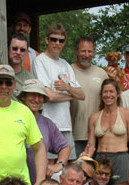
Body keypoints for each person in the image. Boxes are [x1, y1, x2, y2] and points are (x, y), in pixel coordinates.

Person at [32, 23, 84, 159]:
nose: (57, 43)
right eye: (53, 39)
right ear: (46, 40)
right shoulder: (40, 61)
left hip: (66, 125)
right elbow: (49, 96)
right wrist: (71, 95)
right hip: (47, 124)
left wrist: (67, 88)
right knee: (48, 168)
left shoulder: (65, 64)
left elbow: (82, 95)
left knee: (67, 169)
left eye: (61, 40)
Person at [84, 78, 129, 185]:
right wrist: (85, 162)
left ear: (117, 94)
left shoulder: (128, 115)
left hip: (121, 158)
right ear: (101, 94)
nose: (108, 95)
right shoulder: (94, 117)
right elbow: (91, 145)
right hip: (100, 158)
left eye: (111, 92)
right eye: (105, 92)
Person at [18, 79, 70, 185]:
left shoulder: (47, 124)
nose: (37, 99)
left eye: (40, 96)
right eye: (32, 95)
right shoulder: (12, 119)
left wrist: (59, 164)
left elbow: (65, 147)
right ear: (23, 97)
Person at [70, 37, 109, 157]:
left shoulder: (102, 73)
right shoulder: (68, 71)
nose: (87, 55)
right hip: (74, 135)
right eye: (83, 51)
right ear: (76, 51)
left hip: (99, 135)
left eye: (90, 51)